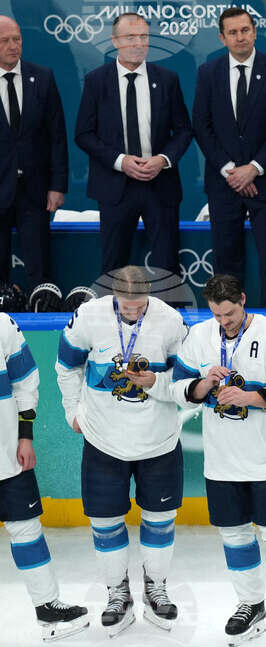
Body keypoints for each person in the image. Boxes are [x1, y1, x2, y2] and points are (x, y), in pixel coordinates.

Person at [54, 265, 189, 638]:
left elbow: (186, 378)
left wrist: (157, 382)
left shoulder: (169, 320)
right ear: (113, 297)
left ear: (149, 295)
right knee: (105, 521)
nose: (133, 311)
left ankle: (156, 586)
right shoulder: (88, 315)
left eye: (139, 305)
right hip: (103, 440)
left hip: (158, 440)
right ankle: (118, 594)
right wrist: (71, 410)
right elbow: (67, 366)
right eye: (126, 306)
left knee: (160, 516)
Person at [171, 274, 266, 646]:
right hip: (222, 461)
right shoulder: (199, 336)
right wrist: (202, 385)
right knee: (235, 536)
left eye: (229, 314)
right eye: (216, 315)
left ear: (243, 300)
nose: (223, 322)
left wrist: (250, 397)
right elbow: (176, 390)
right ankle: (250, 605)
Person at [74, 13, 193, 277]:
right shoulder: (97, 80)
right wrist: (120, 161)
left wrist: (162, 159)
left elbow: (184, 130)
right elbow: (83, 134)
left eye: (144, 37)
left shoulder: (167, 79)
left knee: (167, 266)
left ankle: (169, 318)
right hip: (115, 187)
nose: (139, 43)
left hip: (160, 186)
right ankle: (112, 317)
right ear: (115, 41)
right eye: (130, 37)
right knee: (113, 265)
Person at [193, 7, 266, 308]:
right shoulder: (208, 73)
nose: (241, 37)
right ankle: (227, 322)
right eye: (233, 33)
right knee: (226, 259)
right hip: (224, 184)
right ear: (222, 38)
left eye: (246, 30)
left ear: (254, 31)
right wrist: (231, 171)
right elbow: (202, 125)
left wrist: (253, 168)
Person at [2, 311, 89, 642]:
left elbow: (24, 382)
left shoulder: (3, 326)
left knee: (26, 529)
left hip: (6, 451)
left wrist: (25, 436)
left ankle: (47, 606)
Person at [0, 16, 67, 291]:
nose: (13, 46)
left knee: (39, 267)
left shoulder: (42, 77)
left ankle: (42, 315)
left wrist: (57, 185)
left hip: (35, 189)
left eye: (17, 39)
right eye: (4, 41)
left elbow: (57, 136)